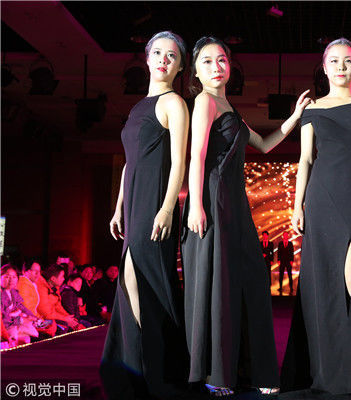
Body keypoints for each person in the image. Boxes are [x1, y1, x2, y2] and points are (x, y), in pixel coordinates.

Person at [181, 36, 312, 397]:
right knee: (219, 285)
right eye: (207, 61)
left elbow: (265, 144)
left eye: (222, 60)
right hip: (213, 200)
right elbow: (196, 156)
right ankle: (215, 373)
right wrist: (196, 204)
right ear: (195, 72)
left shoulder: (229, 107)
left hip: (235, 203)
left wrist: (294, 118)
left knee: (250, 281)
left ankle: (254, 371)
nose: (216, 67)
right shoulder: (205, 100)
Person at [282, 38, 351, 395]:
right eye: (334, 61)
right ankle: (328, 367)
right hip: (321, 196)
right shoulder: (312, 110)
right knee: (324, 281)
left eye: (348, 61)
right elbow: (305, 160)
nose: (341, 66)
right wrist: (297, 206)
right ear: (324, 67)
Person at [101, 31, 190, 400]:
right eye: (157, 53)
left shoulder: (174, 103)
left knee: (141, 277)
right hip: (134, 202)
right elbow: (129, 162)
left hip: (155, 203)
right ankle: (142, 363)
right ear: (147, 57)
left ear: (180, 66)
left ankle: (152, 367)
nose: (163, 60)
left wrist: (168, 208)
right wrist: (118, 206)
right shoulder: (138, 107)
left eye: (172, 56)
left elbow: (180, 162)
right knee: (131, 278)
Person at [1, 265, 39, 347]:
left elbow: (22, 307)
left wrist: (33, 317)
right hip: (5, 326)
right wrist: (21, 320)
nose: (11, 280)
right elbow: (4, 318)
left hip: (13, 323)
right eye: (7, 277)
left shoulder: (13, 292)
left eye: (14, 277)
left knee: (32, 331)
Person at [277, 231, 295, 295]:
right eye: (284, 235)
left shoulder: (290, 243)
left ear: (288, 236)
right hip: (282, 261)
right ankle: (280, 287)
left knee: (290, 275)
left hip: (288, 261)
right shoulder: (280, 243)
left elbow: (292, 252)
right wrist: (278, 260)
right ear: (283, 236)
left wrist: (292, 260)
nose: (285, 236)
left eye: (286, 235)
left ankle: (291, 288)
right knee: (281, 275)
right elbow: (279, 252)